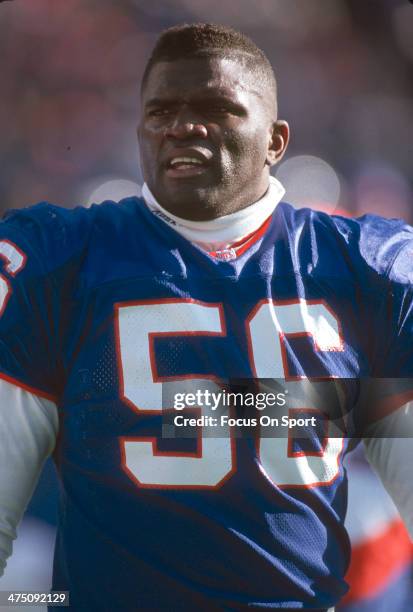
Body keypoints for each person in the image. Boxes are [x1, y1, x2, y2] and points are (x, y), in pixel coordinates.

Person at [0, 23, 412, 612]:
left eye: (216, 108)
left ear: (276, 141)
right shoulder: (56, 260)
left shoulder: (370, 268)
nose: (183, 126)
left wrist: (236, 400)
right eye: (161, 109)